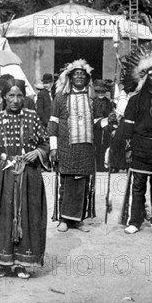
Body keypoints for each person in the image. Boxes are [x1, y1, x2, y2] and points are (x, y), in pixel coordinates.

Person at [0, 78, 50, 279]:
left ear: (24, 97)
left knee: (27, 216)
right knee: (1, 216)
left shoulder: (32, 117)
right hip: (2, 177)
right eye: (11, 95)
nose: (15, 100)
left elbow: (45, 143)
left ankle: (22, 264)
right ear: (4, 97)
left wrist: (37, 152)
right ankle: (2, 263)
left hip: (28, 177)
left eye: (19, 95)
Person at [120, 54, 152, 235]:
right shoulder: (136, 99)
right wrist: (128, 147)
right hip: (140, 147)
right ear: (147, 77)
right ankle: (135, 221)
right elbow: (128, 126)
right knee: (138, 185)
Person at [48, 59, 96, 232]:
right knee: (66, 183)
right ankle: (63, 219)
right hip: (66, 147)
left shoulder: (92, 98)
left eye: (82, 75)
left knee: (82, 183)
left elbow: (97, 122)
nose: (79, 77)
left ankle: (78, 220)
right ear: (69, 77)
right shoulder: (60, 97)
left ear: (86, 78)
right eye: (75, 74)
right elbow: (53, 123)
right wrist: (53, 147)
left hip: (85, 148)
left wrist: (110, 122)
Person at [92, 79, 116, 172]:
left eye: (103, 92)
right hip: (95, 127)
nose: (101, 93)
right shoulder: (93, 102)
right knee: (96, 146)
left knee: (105, 147)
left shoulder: (108, 102)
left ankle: (104, 165)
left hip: (106, 127)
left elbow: (110, 115)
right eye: (98, 92)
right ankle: (96, 166)